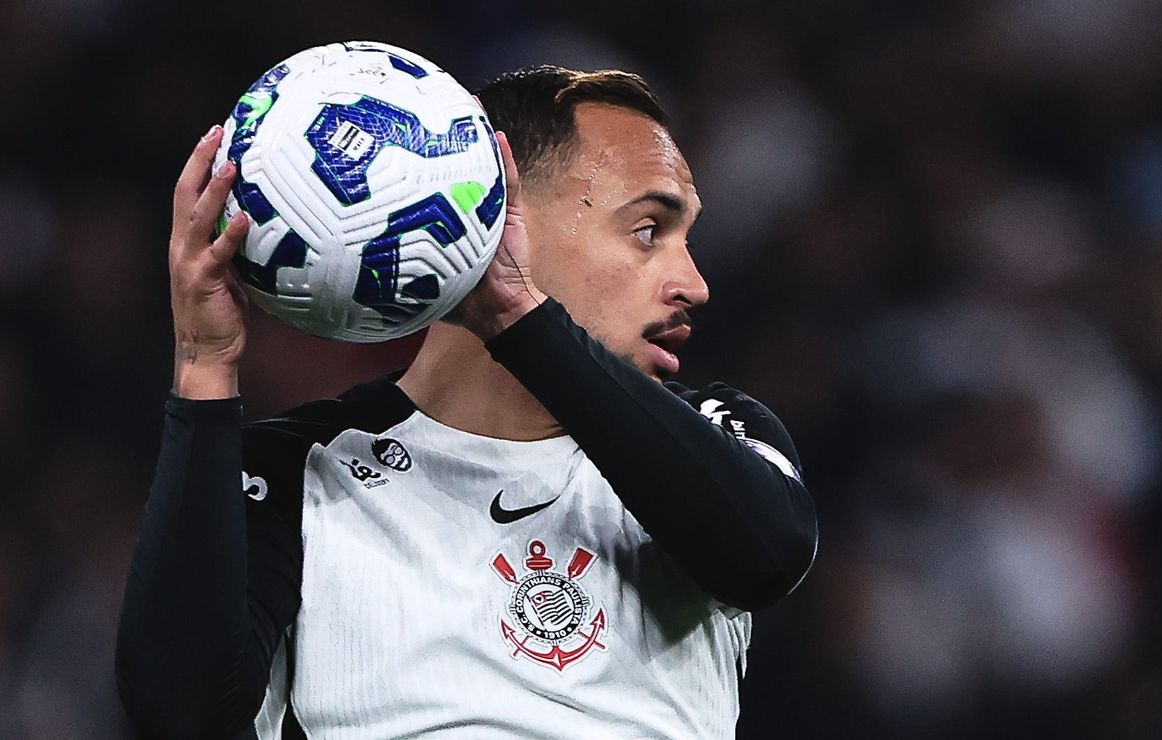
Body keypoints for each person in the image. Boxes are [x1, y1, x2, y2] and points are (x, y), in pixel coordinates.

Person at [116, 65, 818, 739]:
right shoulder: (297, 471)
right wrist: (204, 369)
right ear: (500, 218)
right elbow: (181, 713)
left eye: (686, 237)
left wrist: (519, 317)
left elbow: (763, 554)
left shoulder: (721, 432)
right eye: (647, 231)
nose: (694, 283)